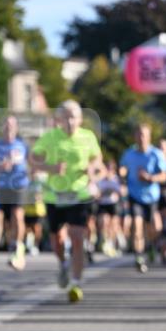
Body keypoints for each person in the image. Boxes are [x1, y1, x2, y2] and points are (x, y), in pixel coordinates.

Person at [31, 100, 103, 303]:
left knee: (77, 235)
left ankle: (75, 282)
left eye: (74, 117)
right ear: (59, 120)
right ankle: (63, 263)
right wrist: (51, 168)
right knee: (57, 239)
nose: (70, 121)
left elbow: (98, 161)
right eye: (66, 117)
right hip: (55, 194)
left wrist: (93, 172)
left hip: (79, 194)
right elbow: (33, 159)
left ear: (80, 119)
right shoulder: (49, 138)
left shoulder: (87, 137)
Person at [119, 124, 166, 273]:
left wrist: (151, 177)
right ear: (135, 136)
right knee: (137, 225)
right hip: (135, 195)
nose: (141, 138)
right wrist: (122, 173)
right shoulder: (129, 154)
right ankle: (139, 256)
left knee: (155, 229)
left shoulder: (156, 154)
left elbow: (164, 175)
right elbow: (123, 168)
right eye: (138, 135)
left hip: (152, 197)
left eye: (144, 135)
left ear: (149, 136)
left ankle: (152, 244)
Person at [0, 114, 30, 271]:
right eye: (6, 124)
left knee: (17, 214)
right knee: (8, 220)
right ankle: (14, 244)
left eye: (11, 124)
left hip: (19, 184)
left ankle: (19, 246)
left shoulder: (22, 145)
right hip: (3, 185)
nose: (8, 127)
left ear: (16, 128)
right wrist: (0, 167)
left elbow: (33, 163)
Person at [95, 159, 122, 257]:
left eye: (110, 169)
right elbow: (96, 193)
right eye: (107, 168)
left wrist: (113, 189)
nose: (108, 171)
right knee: (103, 222)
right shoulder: (100, 179)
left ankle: (111, 242)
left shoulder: (116, 179)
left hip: (113, 203)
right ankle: (104, 239)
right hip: (103, 204)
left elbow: (121, 192)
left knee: (113, 225)